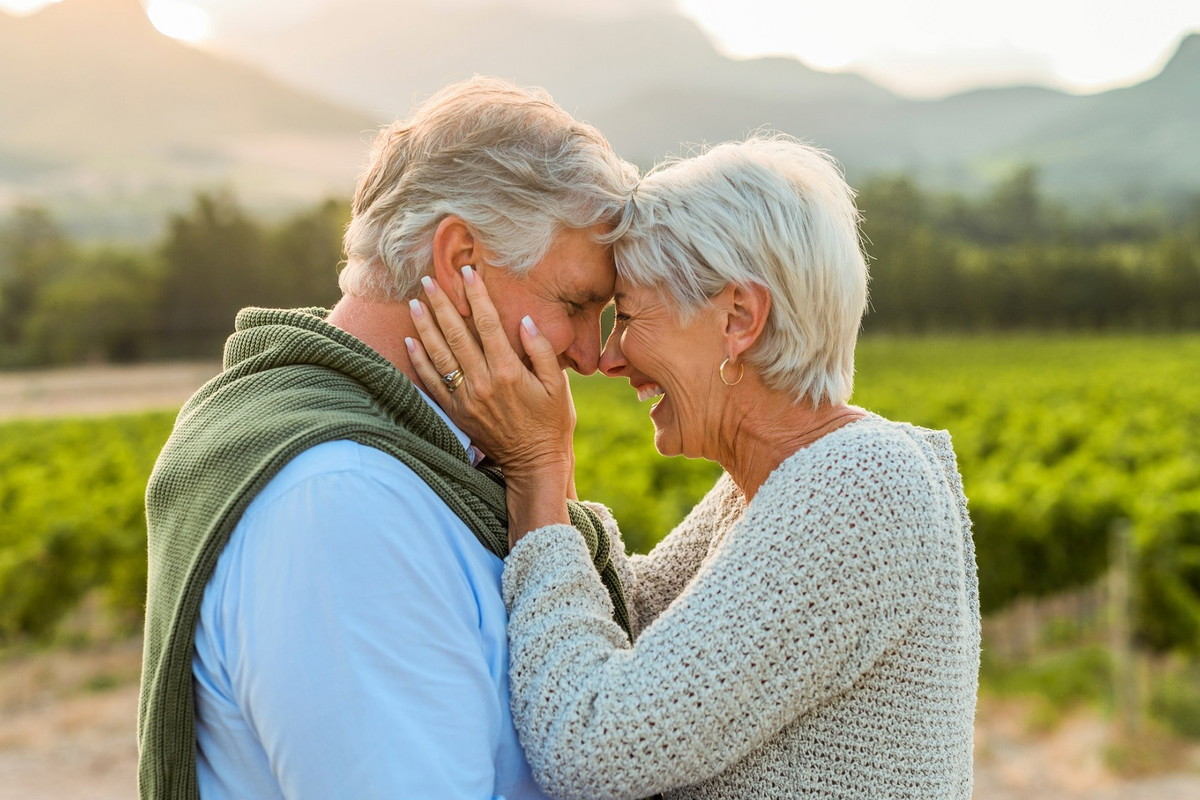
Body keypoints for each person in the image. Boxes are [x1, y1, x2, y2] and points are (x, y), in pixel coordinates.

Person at [407, 135, 981, 799]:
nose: (609, 358)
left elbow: (592, 745)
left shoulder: (859, 488)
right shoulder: (776, 483)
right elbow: (638, 615)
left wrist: (538, 469)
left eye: (630, 315)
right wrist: (543, 453)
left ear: (738, 318)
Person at [137, 77, 638, 799]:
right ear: (460, 257)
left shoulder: (409, 466)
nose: (590, 356)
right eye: (575, 304)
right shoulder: (344, 502)